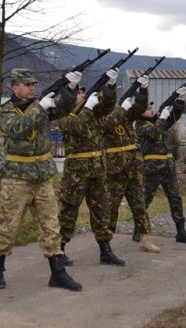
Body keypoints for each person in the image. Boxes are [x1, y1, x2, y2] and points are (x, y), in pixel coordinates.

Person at [0, 68, 82, 291]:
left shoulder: (41, 106)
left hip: (42, 176)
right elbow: (17, 129)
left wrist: (69, 89)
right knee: (9, 225)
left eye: (33, 84)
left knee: (51, 225)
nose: (32, 87)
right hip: (17, 178)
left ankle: (58, 273)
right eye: (27, 84)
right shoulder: (5, 111)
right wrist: (40, 108)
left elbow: (63, 108)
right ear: (15, 87)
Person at [58, 68, 127, 266]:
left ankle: (105, 250)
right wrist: (87, 108)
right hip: (77, 172)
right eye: (78, 92)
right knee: (69, 210)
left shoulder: (92, 112)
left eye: (82, 92)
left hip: (97, 169)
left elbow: (107, 105)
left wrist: (110, 86)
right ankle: (58, 250)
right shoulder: (65, 116)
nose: (82, 94)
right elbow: (77, 127)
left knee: (101, 211)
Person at [101, 75, 160, 253]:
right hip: (115, 170)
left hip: (133, 168)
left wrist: (142, 90)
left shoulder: (126, 117)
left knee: (139, 205)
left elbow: (140, 108)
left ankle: (145, 238)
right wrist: (120, 108)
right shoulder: (102, 116)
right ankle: (106, 241)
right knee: (111, 206)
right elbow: (107, 124)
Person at [135, 87, 186, 245]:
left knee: (176, 199)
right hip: (152, 169)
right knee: (145, 200)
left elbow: (173, 118)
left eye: (152, 107)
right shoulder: (140, 125)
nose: (152, 110)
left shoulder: (159, 122)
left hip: (168, 167)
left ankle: (181, 232)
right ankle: (138, 229)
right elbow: (154, 133)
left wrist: (179, 102)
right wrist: (161, 117)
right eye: (148, 108)